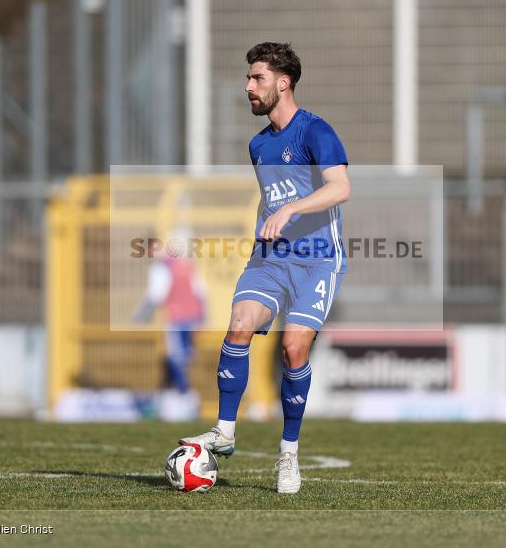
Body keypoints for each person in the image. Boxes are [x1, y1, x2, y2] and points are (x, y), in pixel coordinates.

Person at [179, 42, 350, 494]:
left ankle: (288, 456)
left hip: (317, 262)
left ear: (283, 82)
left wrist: (291, 210)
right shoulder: (258, 144)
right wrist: (270, 221)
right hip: (270, 259)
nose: (248, 87)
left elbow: (340, 187)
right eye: (248, 78)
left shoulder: (316, 131)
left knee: (294, 349)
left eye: (257, 78)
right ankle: (224, 432)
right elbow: (274, 198)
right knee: (238, 325)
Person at [134, 229, 207, 419]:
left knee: (176, 358)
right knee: (184, 358)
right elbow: (200, 291)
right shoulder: (184, 263)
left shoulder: (162, 267)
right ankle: (183, 398)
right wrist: (202, 317)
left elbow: (156, 294)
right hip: (193, 317)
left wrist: (141, 317)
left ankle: (185, 399)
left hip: (176, 318)